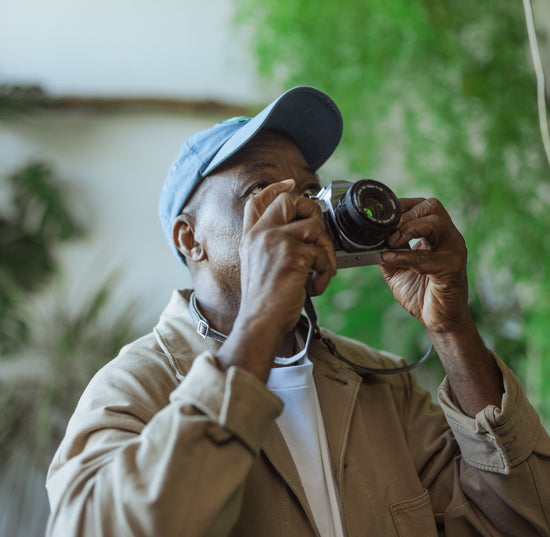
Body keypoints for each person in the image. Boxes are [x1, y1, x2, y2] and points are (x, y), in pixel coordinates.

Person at [46, 86, 550, 537]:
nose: (303, 212)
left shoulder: (380, 386)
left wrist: (452, 328)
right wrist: (261, 320)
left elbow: (523, 521)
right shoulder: (133, 387)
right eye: (261, 193)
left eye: (310, 191)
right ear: (190, 238)